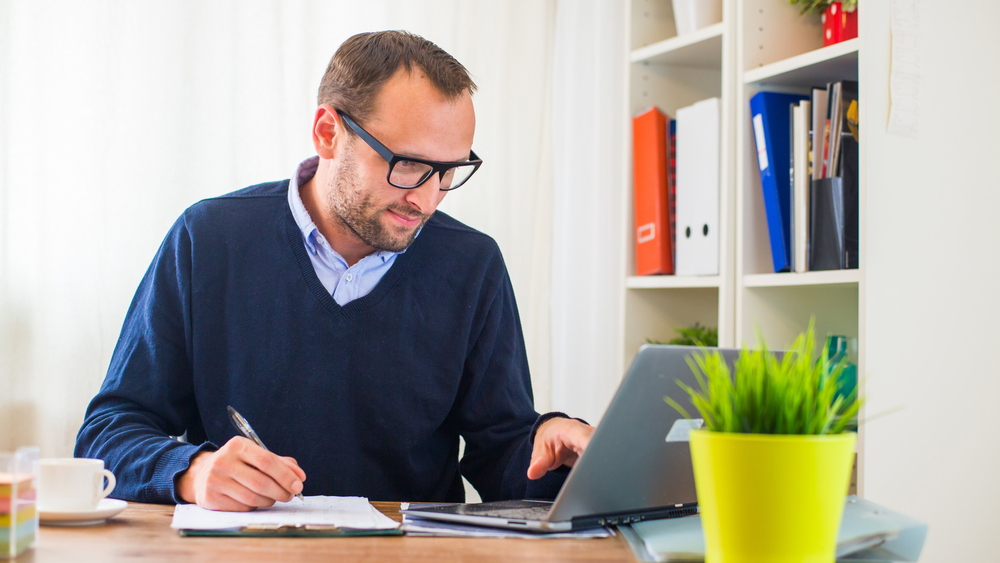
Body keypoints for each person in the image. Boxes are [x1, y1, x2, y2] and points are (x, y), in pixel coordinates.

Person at [75, 30, 593, 512]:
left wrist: (549, 447)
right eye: (408, 164)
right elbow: (108, 432)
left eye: (448, 171)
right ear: (328, 132)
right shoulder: (208, 238)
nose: (427, 200)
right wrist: (193, 471)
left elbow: (500, 452)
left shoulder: (472, 264)